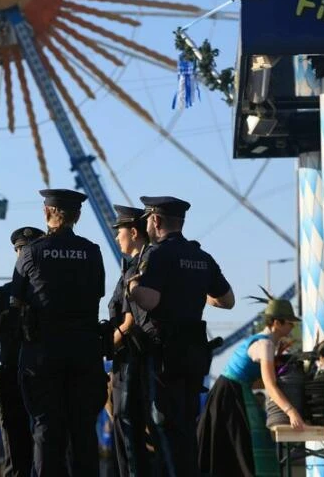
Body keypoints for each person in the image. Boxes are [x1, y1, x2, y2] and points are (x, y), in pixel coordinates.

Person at [127, 196, 235, 477]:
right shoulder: (201, 257)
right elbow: (227, 300)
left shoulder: (157, 254)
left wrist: (132, 285)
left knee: (164, 430)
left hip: (164, 355)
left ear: (156, 220)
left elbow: (149, 301)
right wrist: (194, 292)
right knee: (187, 428)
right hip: (194, 355)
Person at [11, 189, 107, 476]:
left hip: (42, 351)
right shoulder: (92, 252)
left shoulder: (30, 252)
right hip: (85, 350)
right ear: (77, 216)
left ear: (46, 213)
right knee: (83, 429)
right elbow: (97, 294)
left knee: (45, 427)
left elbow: (16, 301)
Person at [197, 297, 305, 477]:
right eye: (289, 323)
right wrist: (291, 411)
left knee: (236, 451)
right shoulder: (266, 344)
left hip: (229, 393)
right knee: (242, 450)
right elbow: (269, 385)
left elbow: (257, 381)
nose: (292, 327)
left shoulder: (262, 341)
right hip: (231, 397)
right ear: (276, 323)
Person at [0, 226, 44, 477]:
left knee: (47, 449)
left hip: (44, 375)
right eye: (20, 251)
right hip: (12, 377)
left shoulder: (48, 292)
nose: (24, 255)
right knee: (15, 451)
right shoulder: (4, 294)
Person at [109, 205, 150, 477]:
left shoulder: (138, 269)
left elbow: (129, 321)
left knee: (127, 425)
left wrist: (102, 347)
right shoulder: (137, 266)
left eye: (119, 232)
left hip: (131, 358)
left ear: (133, 232)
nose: (116, 238)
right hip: (130, 358)